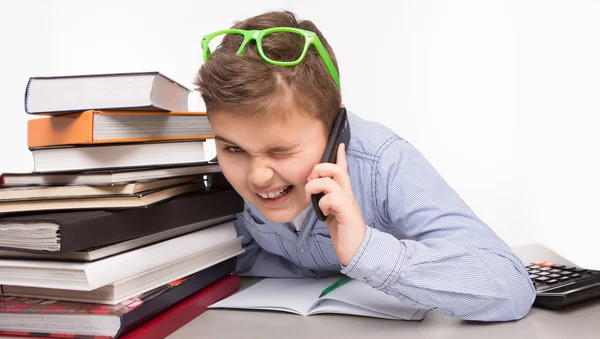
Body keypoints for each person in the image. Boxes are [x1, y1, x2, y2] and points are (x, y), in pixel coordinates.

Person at [194, 10, 535, 321]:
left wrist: (364, 250)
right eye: (233, 148)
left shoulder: (384, 165)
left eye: (281, 150)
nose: (257, 177)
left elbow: (510, 286)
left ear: (336, 127)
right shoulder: (221, 181)